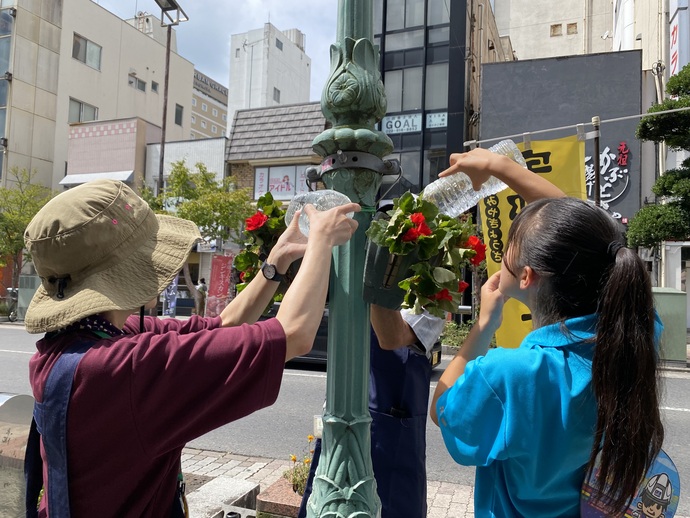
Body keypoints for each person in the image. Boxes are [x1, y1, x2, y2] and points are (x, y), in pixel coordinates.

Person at [23, 179, 359, 517]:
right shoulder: (123, 369)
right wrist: (321, 241)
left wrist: (275, 263)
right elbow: (294, 334)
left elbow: (223, 325)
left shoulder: (82, 342)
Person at [430, 148, 664, 516]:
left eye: (509, 244)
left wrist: (483, 326)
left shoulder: (509, 375)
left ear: (527, 276)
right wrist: (499, 166)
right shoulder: (635, 332)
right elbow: (587, 239)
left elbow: (443, 409)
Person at [298, 303, 445, 518]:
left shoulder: (432, 288)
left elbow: (392, 337)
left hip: (394, 432)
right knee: (329, 499)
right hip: (340, 417)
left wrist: (375, 278)